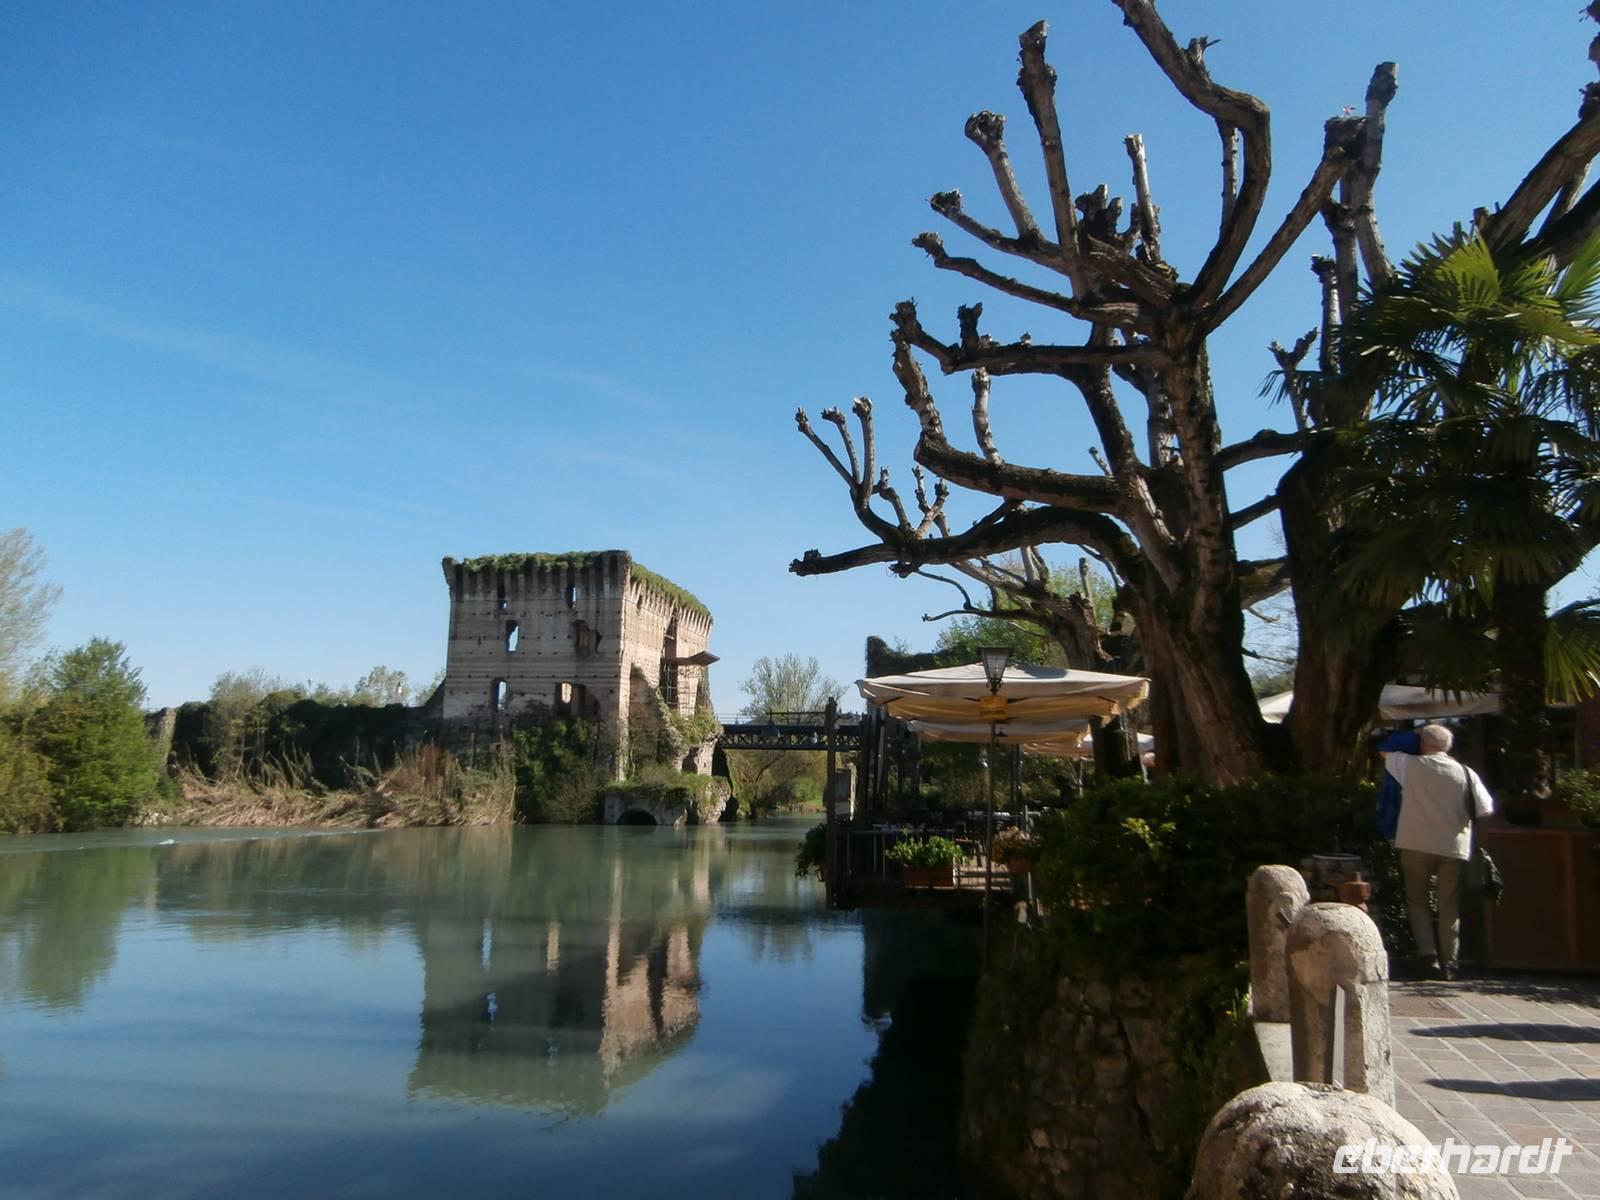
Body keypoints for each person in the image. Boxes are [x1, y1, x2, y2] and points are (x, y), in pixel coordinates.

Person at [1383, 724, 1494, 980]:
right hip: (1452, 846)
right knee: (1449, 904)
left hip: (1415, 841)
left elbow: (1385, 751)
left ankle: (1428, 955)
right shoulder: (1466, 773)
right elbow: (1485, 809)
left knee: (1417, 900)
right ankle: (1450, 963)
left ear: (1423, 744)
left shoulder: (1409, 765)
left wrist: (1413, 736)